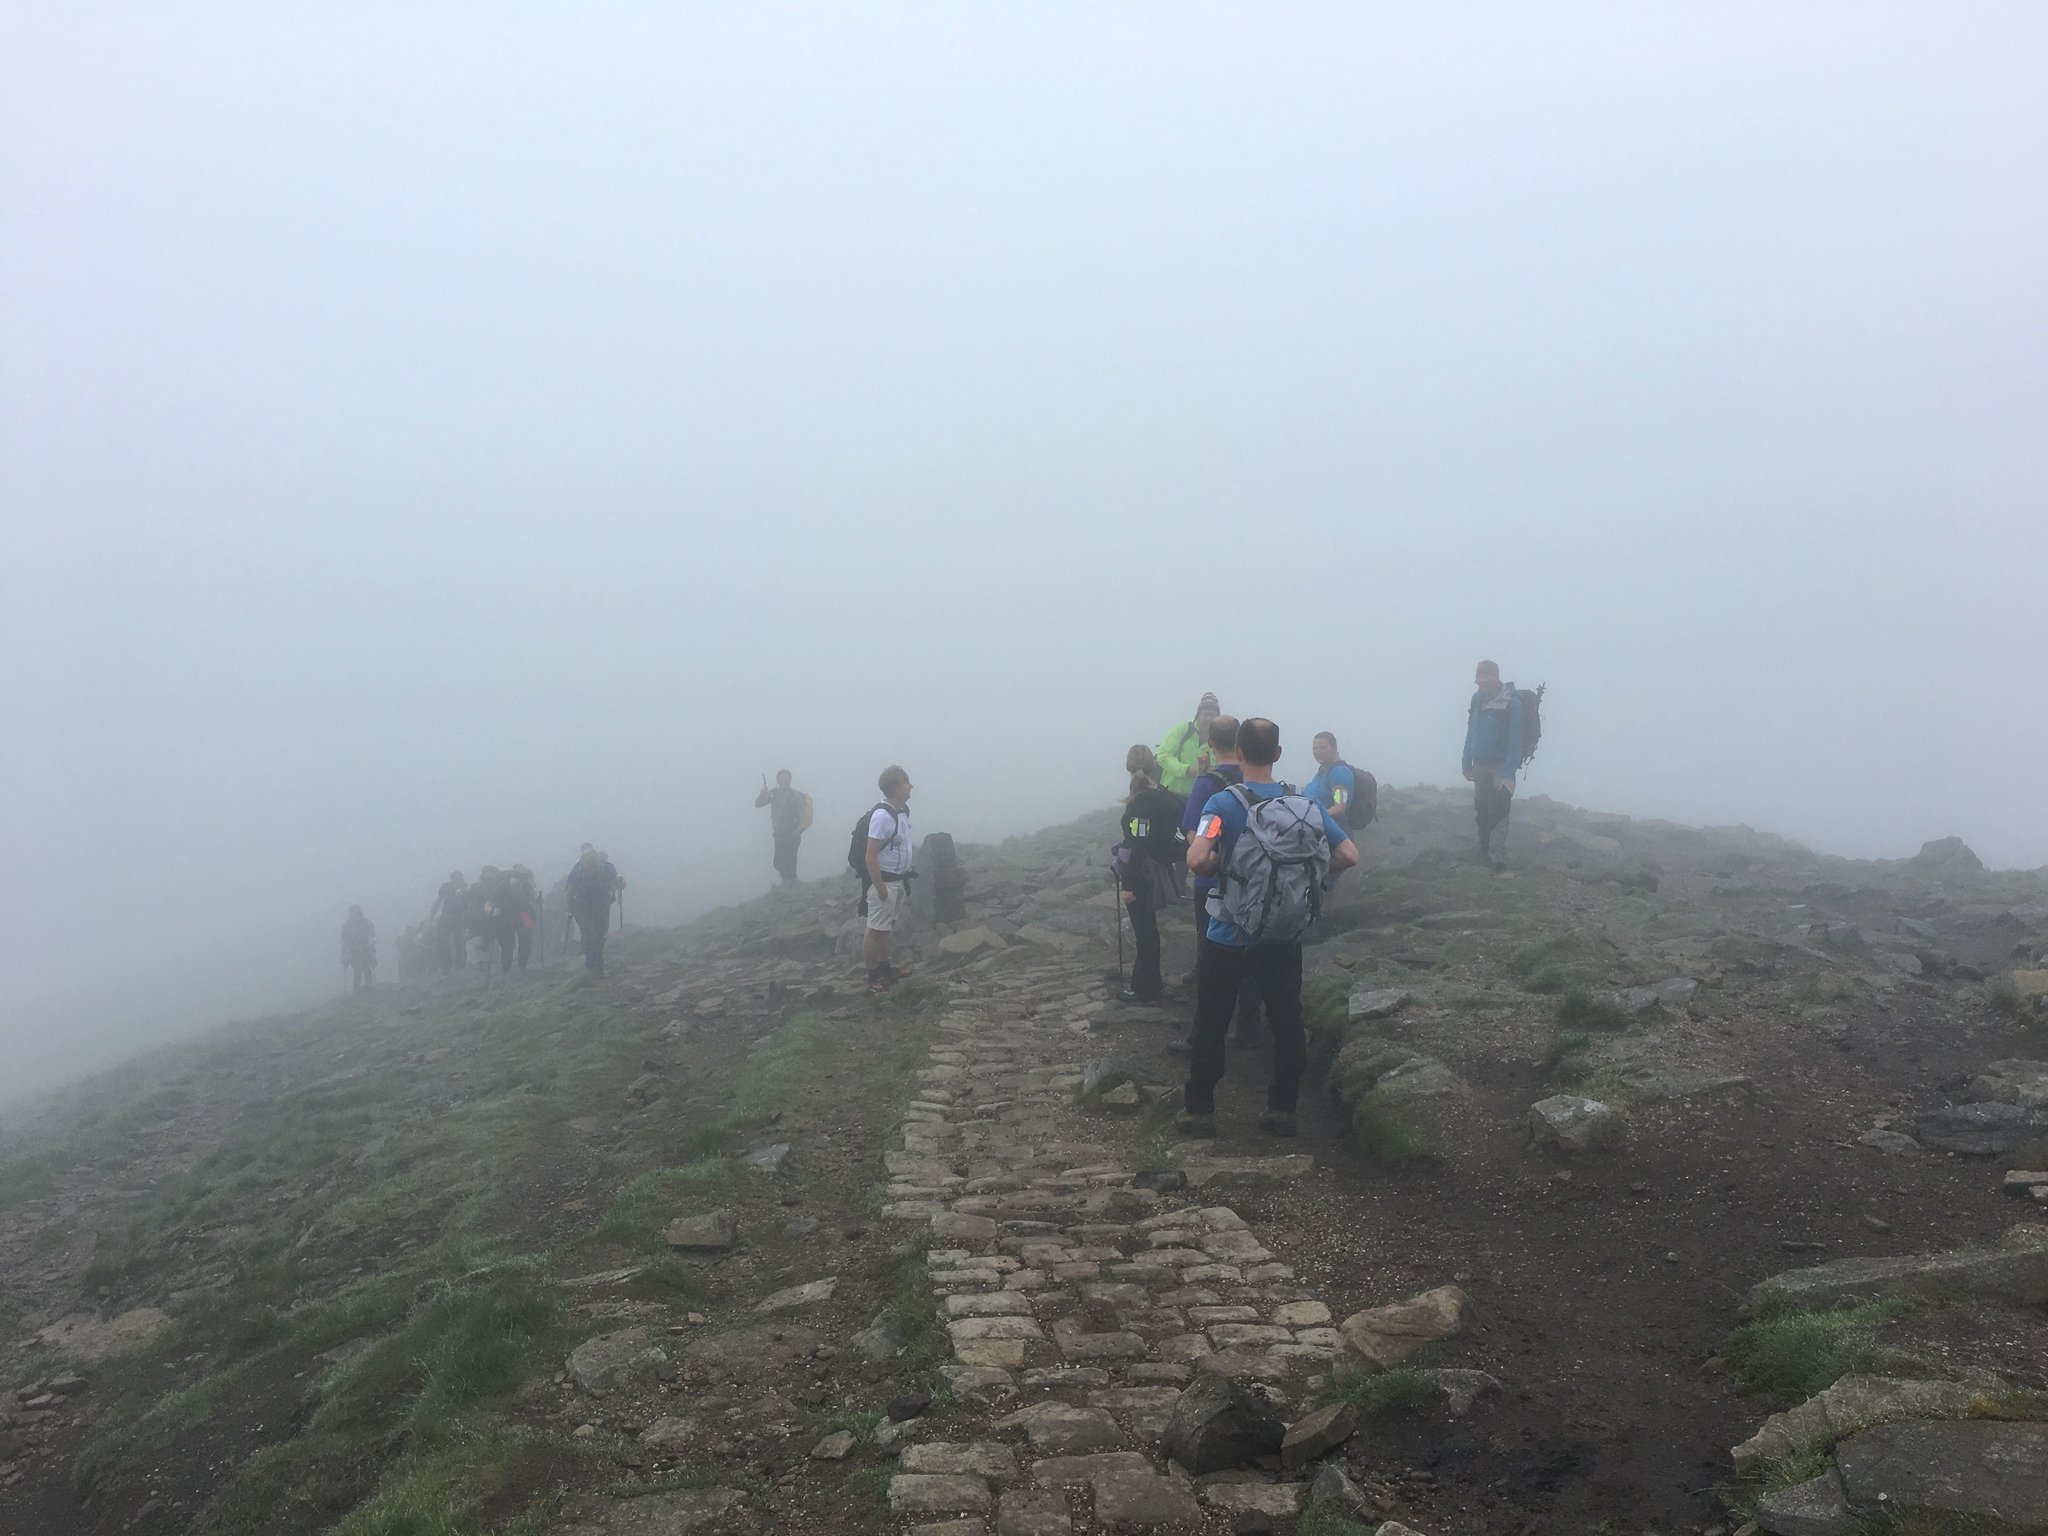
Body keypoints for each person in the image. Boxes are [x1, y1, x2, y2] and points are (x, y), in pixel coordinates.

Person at [1177, 718, 1359, 1138]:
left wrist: (1220, 865)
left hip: (1228, 934)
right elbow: (1349, 854)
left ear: (1238, 752)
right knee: (1286, 1020)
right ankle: (1282, 1108)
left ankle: (1200, 1109)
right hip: (1282, 934)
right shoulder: (1305, 805)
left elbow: (1196, 857)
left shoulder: (1221, 805)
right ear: (1277, 754)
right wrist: (1311, 877)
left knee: (1211, 1021)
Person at [1172, 715, 1265, 1052]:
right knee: (1253, 951)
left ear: (1210, 743)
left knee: (1211, 957)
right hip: (1258, 882)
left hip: (1212, 884)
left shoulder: (1206, 784)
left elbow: (1194, 835)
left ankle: (1203, 1036)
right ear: (1239, 743)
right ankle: (1248, 1025)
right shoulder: (1256, 779)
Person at [1116, 746, 1187, 1005]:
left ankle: (1143, 987)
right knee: (1149, 930)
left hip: (1142, 871)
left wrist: (1128, 884)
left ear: (1128, 766)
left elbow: (1138, 842)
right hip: (1157, 866)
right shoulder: (1160, 793)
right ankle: (1151, 983)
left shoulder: (1141, 801)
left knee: (1144, 931)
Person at [1462, 660, 1525, 872]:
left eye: (1487, 677)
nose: (1483, 682)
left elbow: (1516, 742)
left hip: (1501, 766)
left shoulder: (1512, 704)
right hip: (1479, 763)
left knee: (1499, 811)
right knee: (1481, 809)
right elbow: (1471, 731)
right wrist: (1466, 761)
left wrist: (1508, 773)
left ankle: (1496, 855)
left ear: (1496, 678)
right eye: (1480, 678)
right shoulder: (1477, 699)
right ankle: (1482, 849)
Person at [862, 765, 915, 993]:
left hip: (897, 881)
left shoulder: (901, 811)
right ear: (895, 788)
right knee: (874, 930)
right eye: (906, 783)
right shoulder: (882, 816)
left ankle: (886, 968)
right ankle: (873, 976)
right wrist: (880, 886)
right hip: (885, 882)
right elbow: (870, 855)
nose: (911, 786)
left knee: (885, 928)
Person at [565, 848, 624, 976]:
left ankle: (594, 963)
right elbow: (570, 893)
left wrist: (621, 883)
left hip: (601, 907)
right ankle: (594, 964)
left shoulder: (606, 870)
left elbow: (617, 883)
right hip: (583, 908)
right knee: (590, 934)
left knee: (600, 935)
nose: (590, 866)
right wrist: (570, 908)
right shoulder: (577, 873)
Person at [1303, 732, 1376, 830]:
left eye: (1323, 748)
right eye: (1315, 748)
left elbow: (1340, 806)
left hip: (1336, 832)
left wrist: (1313, 817)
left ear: (1334, 749)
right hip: (1319, 830)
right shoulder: (1323, 771)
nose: (1318, 752)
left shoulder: (1340, 772)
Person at [1156, 692, 1222, 799]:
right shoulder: (1182, 731)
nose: (1208, 718)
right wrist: (1187, 770)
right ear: (1198, 715)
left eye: (1212, 715)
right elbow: (1162, 756)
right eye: (1205, 714)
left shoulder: (1220, 740)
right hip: (1170, 795)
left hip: (1202, 798)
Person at [755, 770, 809, 886]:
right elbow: (758, 804)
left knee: (790, 859)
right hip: (779, 834)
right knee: (779, 862)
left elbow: (803, 814)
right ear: (778, 781)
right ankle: (788, 882)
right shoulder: (773, 794)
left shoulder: (796, 796)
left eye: (786, 779)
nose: (784, 781)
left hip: (792, 832)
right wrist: (762, 793)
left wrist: (798, 830)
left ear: (790, 780)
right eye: (781, 779)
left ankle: (792, 882)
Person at [488, 864, 540, 974]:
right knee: (508, 945)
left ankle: (520, 967)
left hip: (522, 914)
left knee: (525, 940)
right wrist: (492, 911)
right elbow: (489, 904)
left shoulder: (525, 885)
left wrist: (538, 899)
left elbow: (534, 898)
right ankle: (508, 968)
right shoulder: (501, 887)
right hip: (507, 916)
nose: (520, 883)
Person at [431, 871, 468, 973]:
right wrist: (432, 916)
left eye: (459, 878)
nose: (457, 880)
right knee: (441, 943)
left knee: (459, 943)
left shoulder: (465, 888)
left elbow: (467, 902)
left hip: (460, 919)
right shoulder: (445, 887)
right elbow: (438, 900)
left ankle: (459, 965)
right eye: (455, 878)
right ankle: (447, 965)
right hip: (446, 918)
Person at [340, 906, 377, 993]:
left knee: (366, 967)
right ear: (351, 914)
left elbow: (373, 935)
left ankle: (369, 986)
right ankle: (357, 989)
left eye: (360, 913)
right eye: (356, 913)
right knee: (357, 969)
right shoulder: (347, 925)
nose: (359, 915)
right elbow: (344, 939)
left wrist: (372, 943)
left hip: (365, 948)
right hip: (353, 949)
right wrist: (345, 952)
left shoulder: (367, 923)